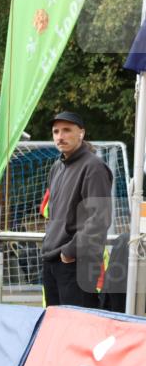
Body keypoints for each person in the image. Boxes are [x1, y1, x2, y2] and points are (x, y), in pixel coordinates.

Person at [40, 111, 112, 308]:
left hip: (77, 264)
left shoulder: (94, 167)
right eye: (56, 131)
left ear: (81, 133)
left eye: (66, 130)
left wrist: (70, 252)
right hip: (52, 260)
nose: (60, 136)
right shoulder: (57, 167)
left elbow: (100, 219)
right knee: (56, 328)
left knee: (81, 331)